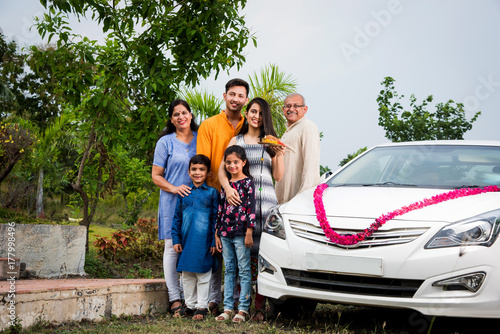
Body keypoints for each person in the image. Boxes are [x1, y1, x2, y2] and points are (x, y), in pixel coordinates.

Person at [218, 97, 284, 321]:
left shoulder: (270, 142)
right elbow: (221, 170)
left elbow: (278, 176)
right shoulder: (236, 140)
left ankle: (259, 306)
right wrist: (227, 188)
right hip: (240, 207)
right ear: (247, 113)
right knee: (242, 256)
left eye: (261, 113)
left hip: (265, 206)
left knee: (263, 255)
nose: (256, 116)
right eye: (253, 111)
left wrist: (279, 153)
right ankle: (237, 303)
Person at [197, 78, 249, 315]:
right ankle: (213, 299)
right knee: (216, 247)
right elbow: (204, 163)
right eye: (232, 94)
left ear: (246, 100)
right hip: (215, 195)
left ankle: (239, 302)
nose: (235, 99)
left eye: (240, 96)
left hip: (243, 198)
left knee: (240, 253)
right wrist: (221, 190)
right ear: (225, 96)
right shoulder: (209, 125)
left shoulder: (249, 125)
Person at [151, 99, 198, 317]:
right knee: (172, 249)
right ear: (171, 119)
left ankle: (192, 299)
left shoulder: (201, 139)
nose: (181, 117)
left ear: (191, 115)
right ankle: (174, 298)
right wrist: (174, 188)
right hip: (172, 202)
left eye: (184, 112)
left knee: (193, 248)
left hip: (198, 205)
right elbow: (156, 176)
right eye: (176, 114)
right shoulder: (165, 143)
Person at [171, 154, 219, 320]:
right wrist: (176, 239)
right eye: (194, 169)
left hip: (204, 242)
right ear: (189, 171)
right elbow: (177, 217)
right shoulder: (184, 192)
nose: (197, 172)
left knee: (204, 275)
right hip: (185, 241)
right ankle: (190, 306)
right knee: (188, 275)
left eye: (202, 169)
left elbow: (216, 219)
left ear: (208, 173)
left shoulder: (213, 193)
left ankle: (202, 307)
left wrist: (214, 240)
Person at [214, 145, 256, 323]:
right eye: (228, 162)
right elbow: (221, 208)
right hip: (225, 232)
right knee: (229, 269)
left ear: (243, 162)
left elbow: (251, 208)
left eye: (236, 162)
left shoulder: (248, 182)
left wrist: (249, 231)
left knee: (244, 270)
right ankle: (228, 308)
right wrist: (217, 233)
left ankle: (243, 309)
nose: (232, 166)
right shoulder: (226, 185)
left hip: (240, 233)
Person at [275, 93, 321, 204]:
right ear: (283, 109)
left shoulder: (307, 126)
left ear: (305, 109)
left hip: (298, 199)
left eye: (296, 106)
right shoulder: (288, 132)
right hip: (283, 199)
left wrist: (304, 196)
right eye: (288, 106)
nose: (291, 109)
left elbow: (311, 164)